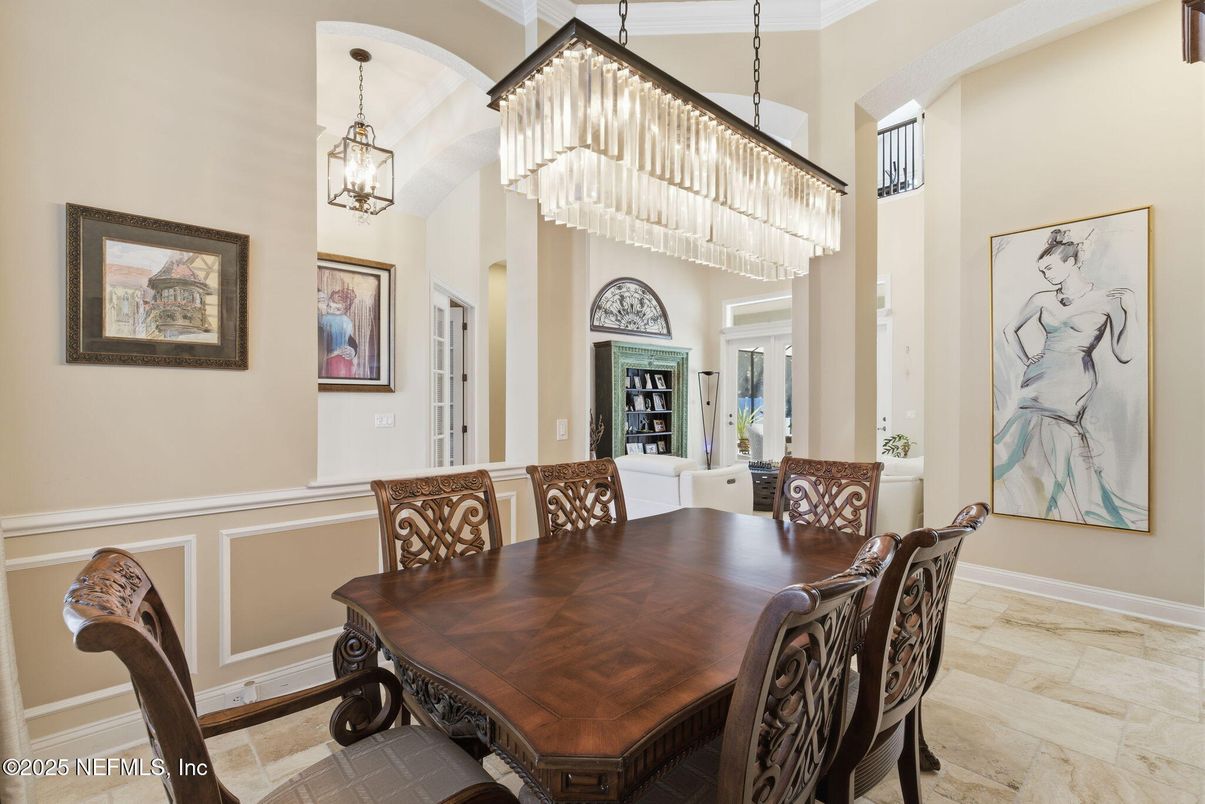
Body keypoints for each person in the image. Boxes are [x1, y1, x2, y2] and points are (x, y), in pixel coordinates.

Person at [993, 228, 1146, 529]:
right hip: (1038, 377)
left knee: (1061, 437)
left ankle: (1066, 506)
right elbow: (1009, 330)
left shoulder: (1106, 300)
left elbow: (1125, 353)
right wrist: (1027, 360)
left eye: (1049, 268)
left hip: (1074, 381)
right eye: (1041, 270)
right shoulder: (1041, 299)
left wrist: (1130, 311)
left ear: (1072, 262)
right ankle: (1032, 502)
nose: (1046, 275)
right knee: (1024, 436)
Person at [319, 287, 358, 378]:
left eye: (337, 309)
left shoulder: (345, 321)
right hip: (326, 362)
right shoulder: (323, 320)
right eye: (329, 306)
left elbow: (349, 339)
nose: (331, 311)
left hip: (341, 361)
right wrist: (336, 352)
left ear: (345, 310)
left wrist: (352, 351)